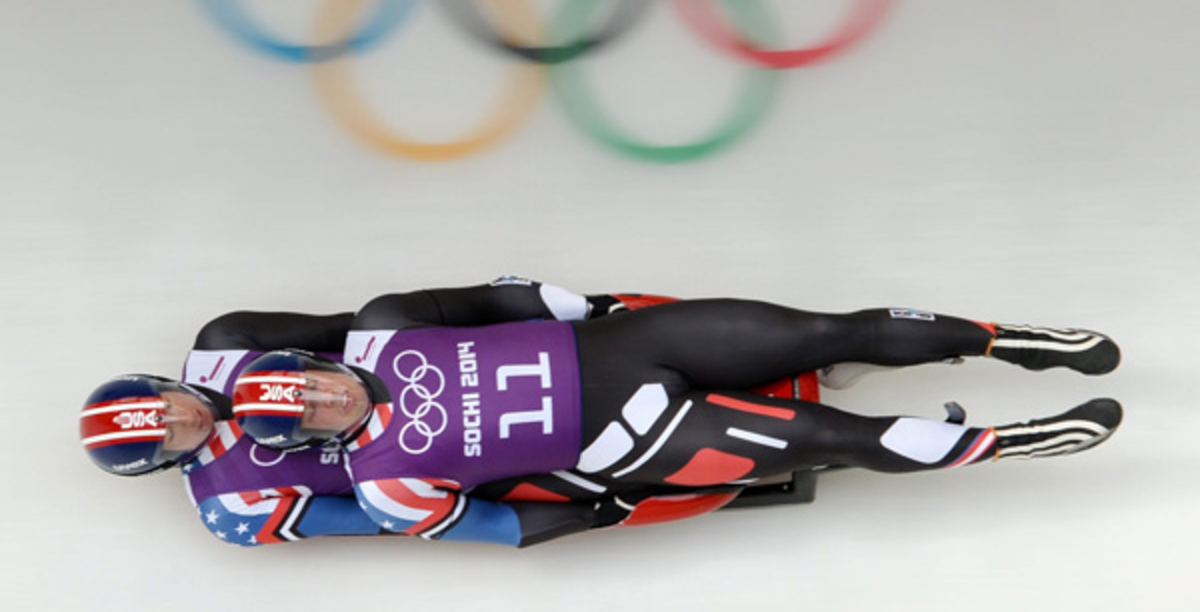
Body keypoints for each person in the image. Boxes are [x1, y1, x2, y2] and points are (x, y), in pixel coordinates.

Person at [230, 281, 1123, 547]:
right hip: (629, 438)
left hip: (623, 350)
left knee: (824, 325)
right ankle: (1017, 441)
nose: (326, 397)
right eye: (310, 413)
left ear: (318, 361)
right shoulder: (389, 491)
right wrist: (607, 506)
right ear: (313, 437)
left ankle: (1015, 340)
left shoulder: (387, 326)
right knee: (828, 442)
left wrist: (601, 303)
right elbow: (506, 527)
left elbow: (500, 295)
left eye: (311, 380)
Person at [80, 279, 679, 545]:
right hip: (445, 461)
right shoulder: (228, 507)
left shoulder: (227, 339)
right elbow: (369, 519)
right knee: (441, 508)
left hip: (434, 384)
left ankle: (594, 315)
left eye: (167, 408)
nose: (186, 421)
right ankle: (611, 507)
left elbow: (351, 331)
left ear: (163, 384)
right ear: (164, 464)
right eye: (168, 438)